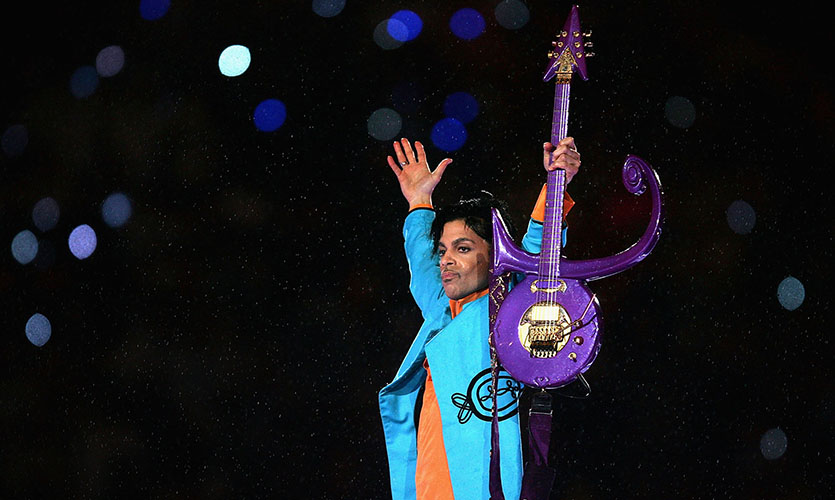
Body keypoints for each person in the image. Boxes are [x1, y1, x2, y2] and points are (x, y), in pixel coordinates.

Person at [378, 137, 580, 500]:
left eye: (463, 248)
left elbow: (540, 251)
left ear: (497, 256)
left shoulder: (510, 306)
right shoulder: (442, 311)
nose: (446, 259)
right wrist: (419, 202)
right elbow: (422, 264)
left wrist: (555, 186)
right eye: (444, 250)